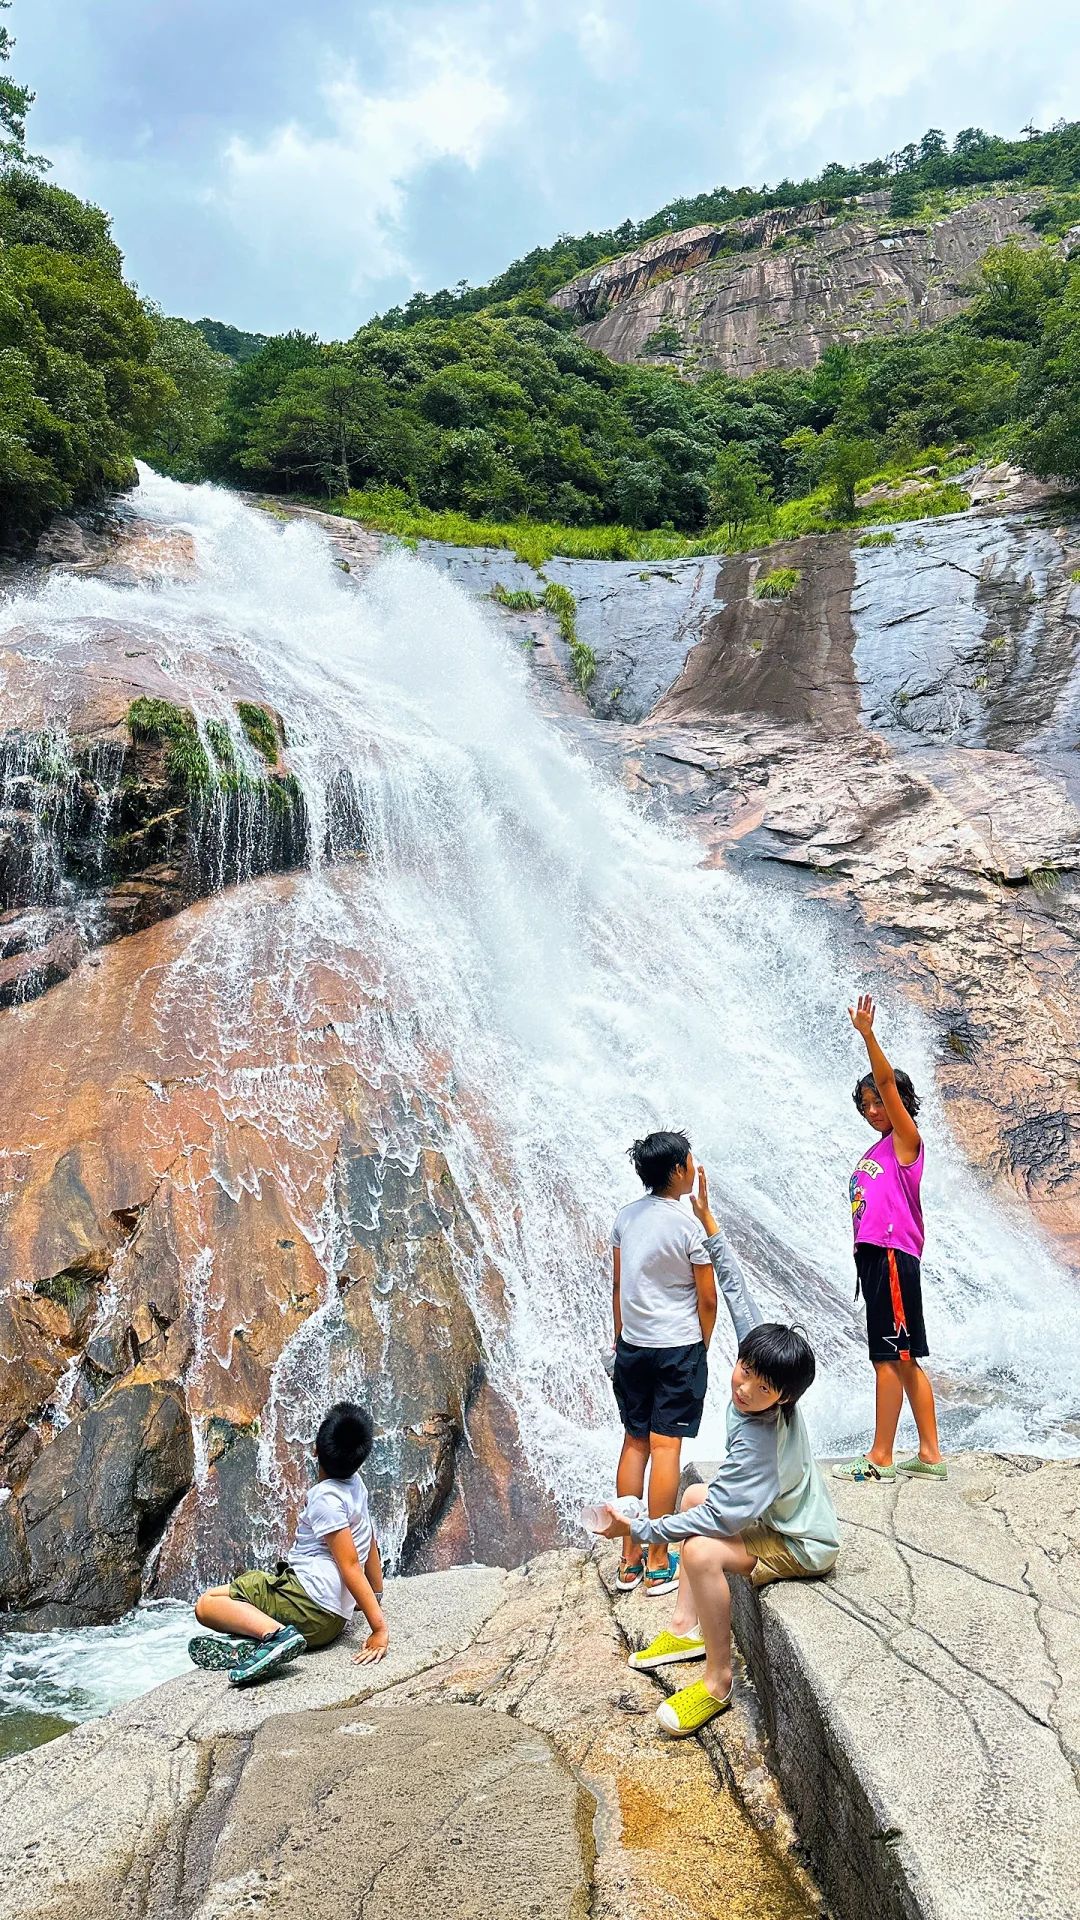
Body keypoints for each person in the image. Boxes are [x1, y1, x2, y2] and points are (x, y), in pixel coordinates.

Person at [600, 1167, 838, 1737]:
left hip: (803, 1545)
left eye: (760, 1385)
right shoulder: (766, 1361)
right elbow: (736, 1293)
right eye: (744, 1368)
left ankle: (717, 1681)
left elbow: (716, 1521)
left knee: (703, 1549)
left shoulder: (761, 1441)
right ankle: (684, 1627)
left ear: (783, 1397)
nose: (743, 1385)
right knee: (697, 1487)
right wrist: (709, 1224)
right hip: (778, 1516)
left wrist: (639, 1530)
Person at [188, 1401, 388, 1687]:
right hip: (327, 1616)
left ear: (315, 1449)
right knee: (237, 1596)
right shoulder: (357, 1487)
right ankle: (259, 1641)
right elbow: (368, 1542)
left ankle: (277, 1636)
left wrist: (378, 1628)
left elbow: (350, 1564)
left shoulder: (325, 1500)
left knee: (207, 1605)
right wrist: (375, 1595)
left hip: (311, 1608)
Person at [833, 992, 945, 1485]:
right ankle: (926, 1454)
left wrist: (868, 1035)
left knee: (894, 1356)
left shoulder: (906, 1138)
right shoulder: (877, 1147)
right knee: (892, 1356)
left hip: (895, 1258)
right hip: (878, 1262)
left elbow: (884, 1079)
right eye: (866, 1105)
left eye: (880, 1100)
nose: (874, 1108)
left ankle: (885, 1455)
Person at [609, 1130, 718, 1598]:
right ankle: (657, 1560)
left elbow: (619, 1288)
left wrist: (620, 1340)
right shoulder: (690, 1224)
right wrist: (704, 1345)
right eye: (690, 1161)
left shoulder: (626, 1218)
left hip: (632, 1346)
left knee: (635, 1443)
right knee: (666, 1446)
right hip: (677, 1346)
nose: (694, 1167)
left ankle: (628, 1558)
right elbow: (708, 1298)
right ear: (677, 1171)